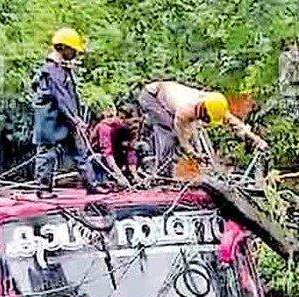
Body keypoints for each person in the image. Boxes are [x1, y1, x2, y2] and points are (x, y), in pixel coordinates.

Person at [31, 27, 105, 197]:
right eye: (73, 50)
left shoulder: (62, 70)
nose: (76, 54)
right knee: (47, 154)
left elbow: (69, 98)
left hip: (65, 120)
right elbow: (61, 98)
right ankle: (43, 189)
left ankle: (91, 185)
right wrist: (75, 119)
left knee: (80, 153)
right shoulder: (51, 71)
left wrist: (74, 118)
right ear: (62, 48)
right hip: (50, 120)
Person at [137, 80, 268, 174]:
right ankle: (161, 173)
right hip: (152, 96)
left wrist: (257, 140)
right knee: (170, 133)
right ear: (203, 109)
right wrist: (193, 153)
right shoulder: (186, 110)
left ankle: (199, 171)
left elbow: (237, 125)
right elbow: (183, 141)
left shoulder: (215, 104)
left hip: (169, 97)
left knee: (194, 134)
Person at [90, 104, 139, 188]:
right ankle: (100, 181)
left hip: (116, 154)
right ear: (122, 119)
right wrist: (120, 176)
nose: (136, 126)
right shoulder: (105, 128)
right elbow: (107, 154)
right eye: (133, 122)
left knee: (140, 149)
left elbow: (131, 151)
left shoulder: (132, 129)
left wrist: (135, 174)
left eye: (137, 122)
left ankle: (130, 176)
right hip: (102, 158)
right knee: (96, 158)